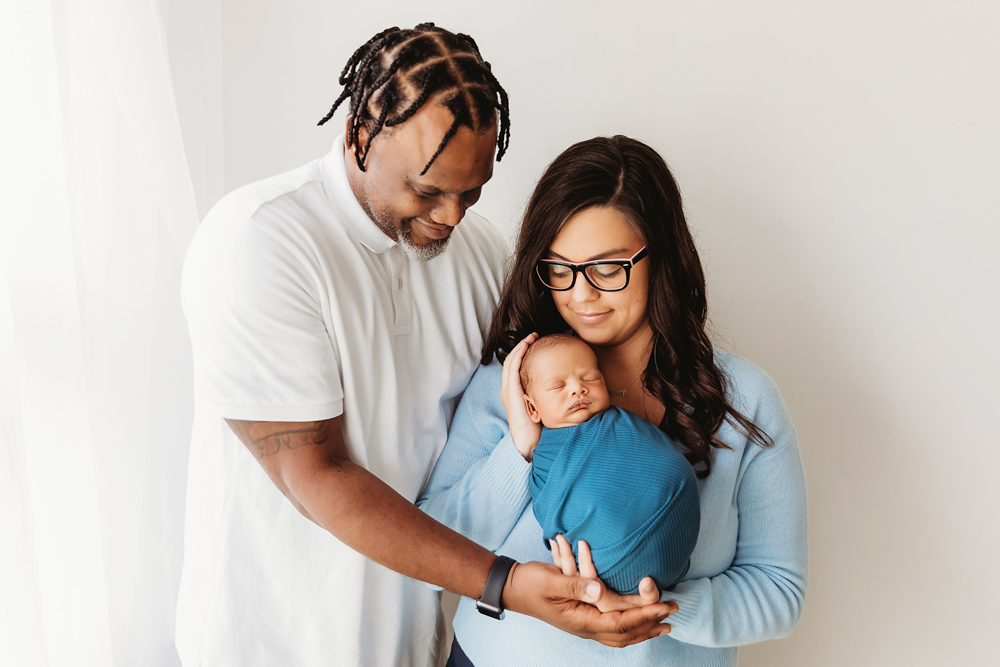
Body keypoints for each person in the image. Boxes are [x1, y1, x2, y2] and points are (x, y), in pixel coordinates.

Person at [176, 24, 675, 667]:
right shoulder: (258, 242)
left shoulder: (481, 253)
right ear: (360, 134)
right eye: (427, 189)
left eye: (472, 191)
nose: (451, 216)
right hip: (271, 644)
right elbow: (314, 475)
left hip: (416, 646)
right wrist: (507, 585)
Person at [418, 135, 808, 666]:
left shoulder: (744, 399)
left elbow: (779, 590)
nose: (581, 295)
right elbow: (436, 544)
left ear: (660, 258)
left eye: (607, 268)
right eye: (559, 268)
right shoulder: (512, 383)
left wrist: (659, 610)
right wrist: (522, 448)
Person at [518, 333, 700, 595]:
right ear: (531, 408)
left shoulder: (623, 423)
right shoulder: (545, 460)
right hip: (608, 569)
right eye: (559, 386)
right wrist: (523, 443)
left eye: (590, 378)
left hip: (677, 528)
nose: (577, 388)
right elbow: (551, 510)